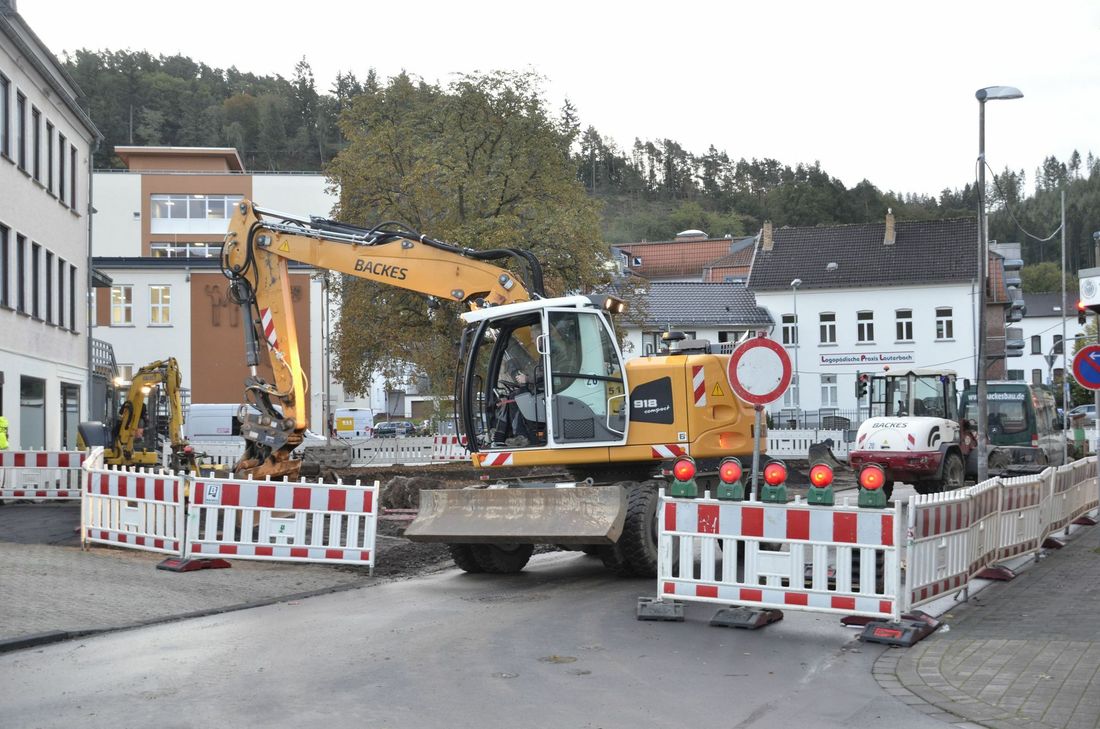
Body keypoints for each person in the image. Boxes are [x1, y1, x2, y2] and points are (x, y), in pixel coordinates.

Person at [492, 367, 532, 447]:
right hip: (534, 389)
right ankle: (499, 435)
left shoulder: (545, 364)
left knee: (514, 398)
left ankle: (520, 436)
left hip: (540, 392)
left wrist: (527, 379)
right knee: (507, 399)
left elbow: (544, 376)